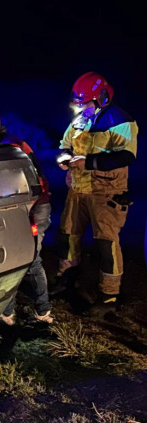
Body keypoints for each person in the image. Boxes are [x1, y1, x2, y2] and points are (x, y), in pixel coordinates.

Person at [49, 72, 138, 311]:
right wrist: (65, 157)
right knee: (68, 238)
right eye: (78, 104)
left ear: (101, 98)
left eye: (85, 103)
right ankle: (67, 281)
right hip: (77, 191)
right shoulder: (78, 121)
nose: (80, 108)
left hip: (106, 193)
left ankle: (109, 296)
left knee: (106, 244)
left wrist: (87, 163)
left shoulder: (120, 120)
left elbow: (126, 156)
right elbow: (64, 145)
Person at [0, 107, 53, 324]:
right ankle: (6, 313)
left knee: (31, 259)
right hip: (13, 208)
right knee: (7, 260)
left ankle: (43, 311)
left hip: (33, 207)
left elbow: (30, 180)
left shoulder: (12, 146)